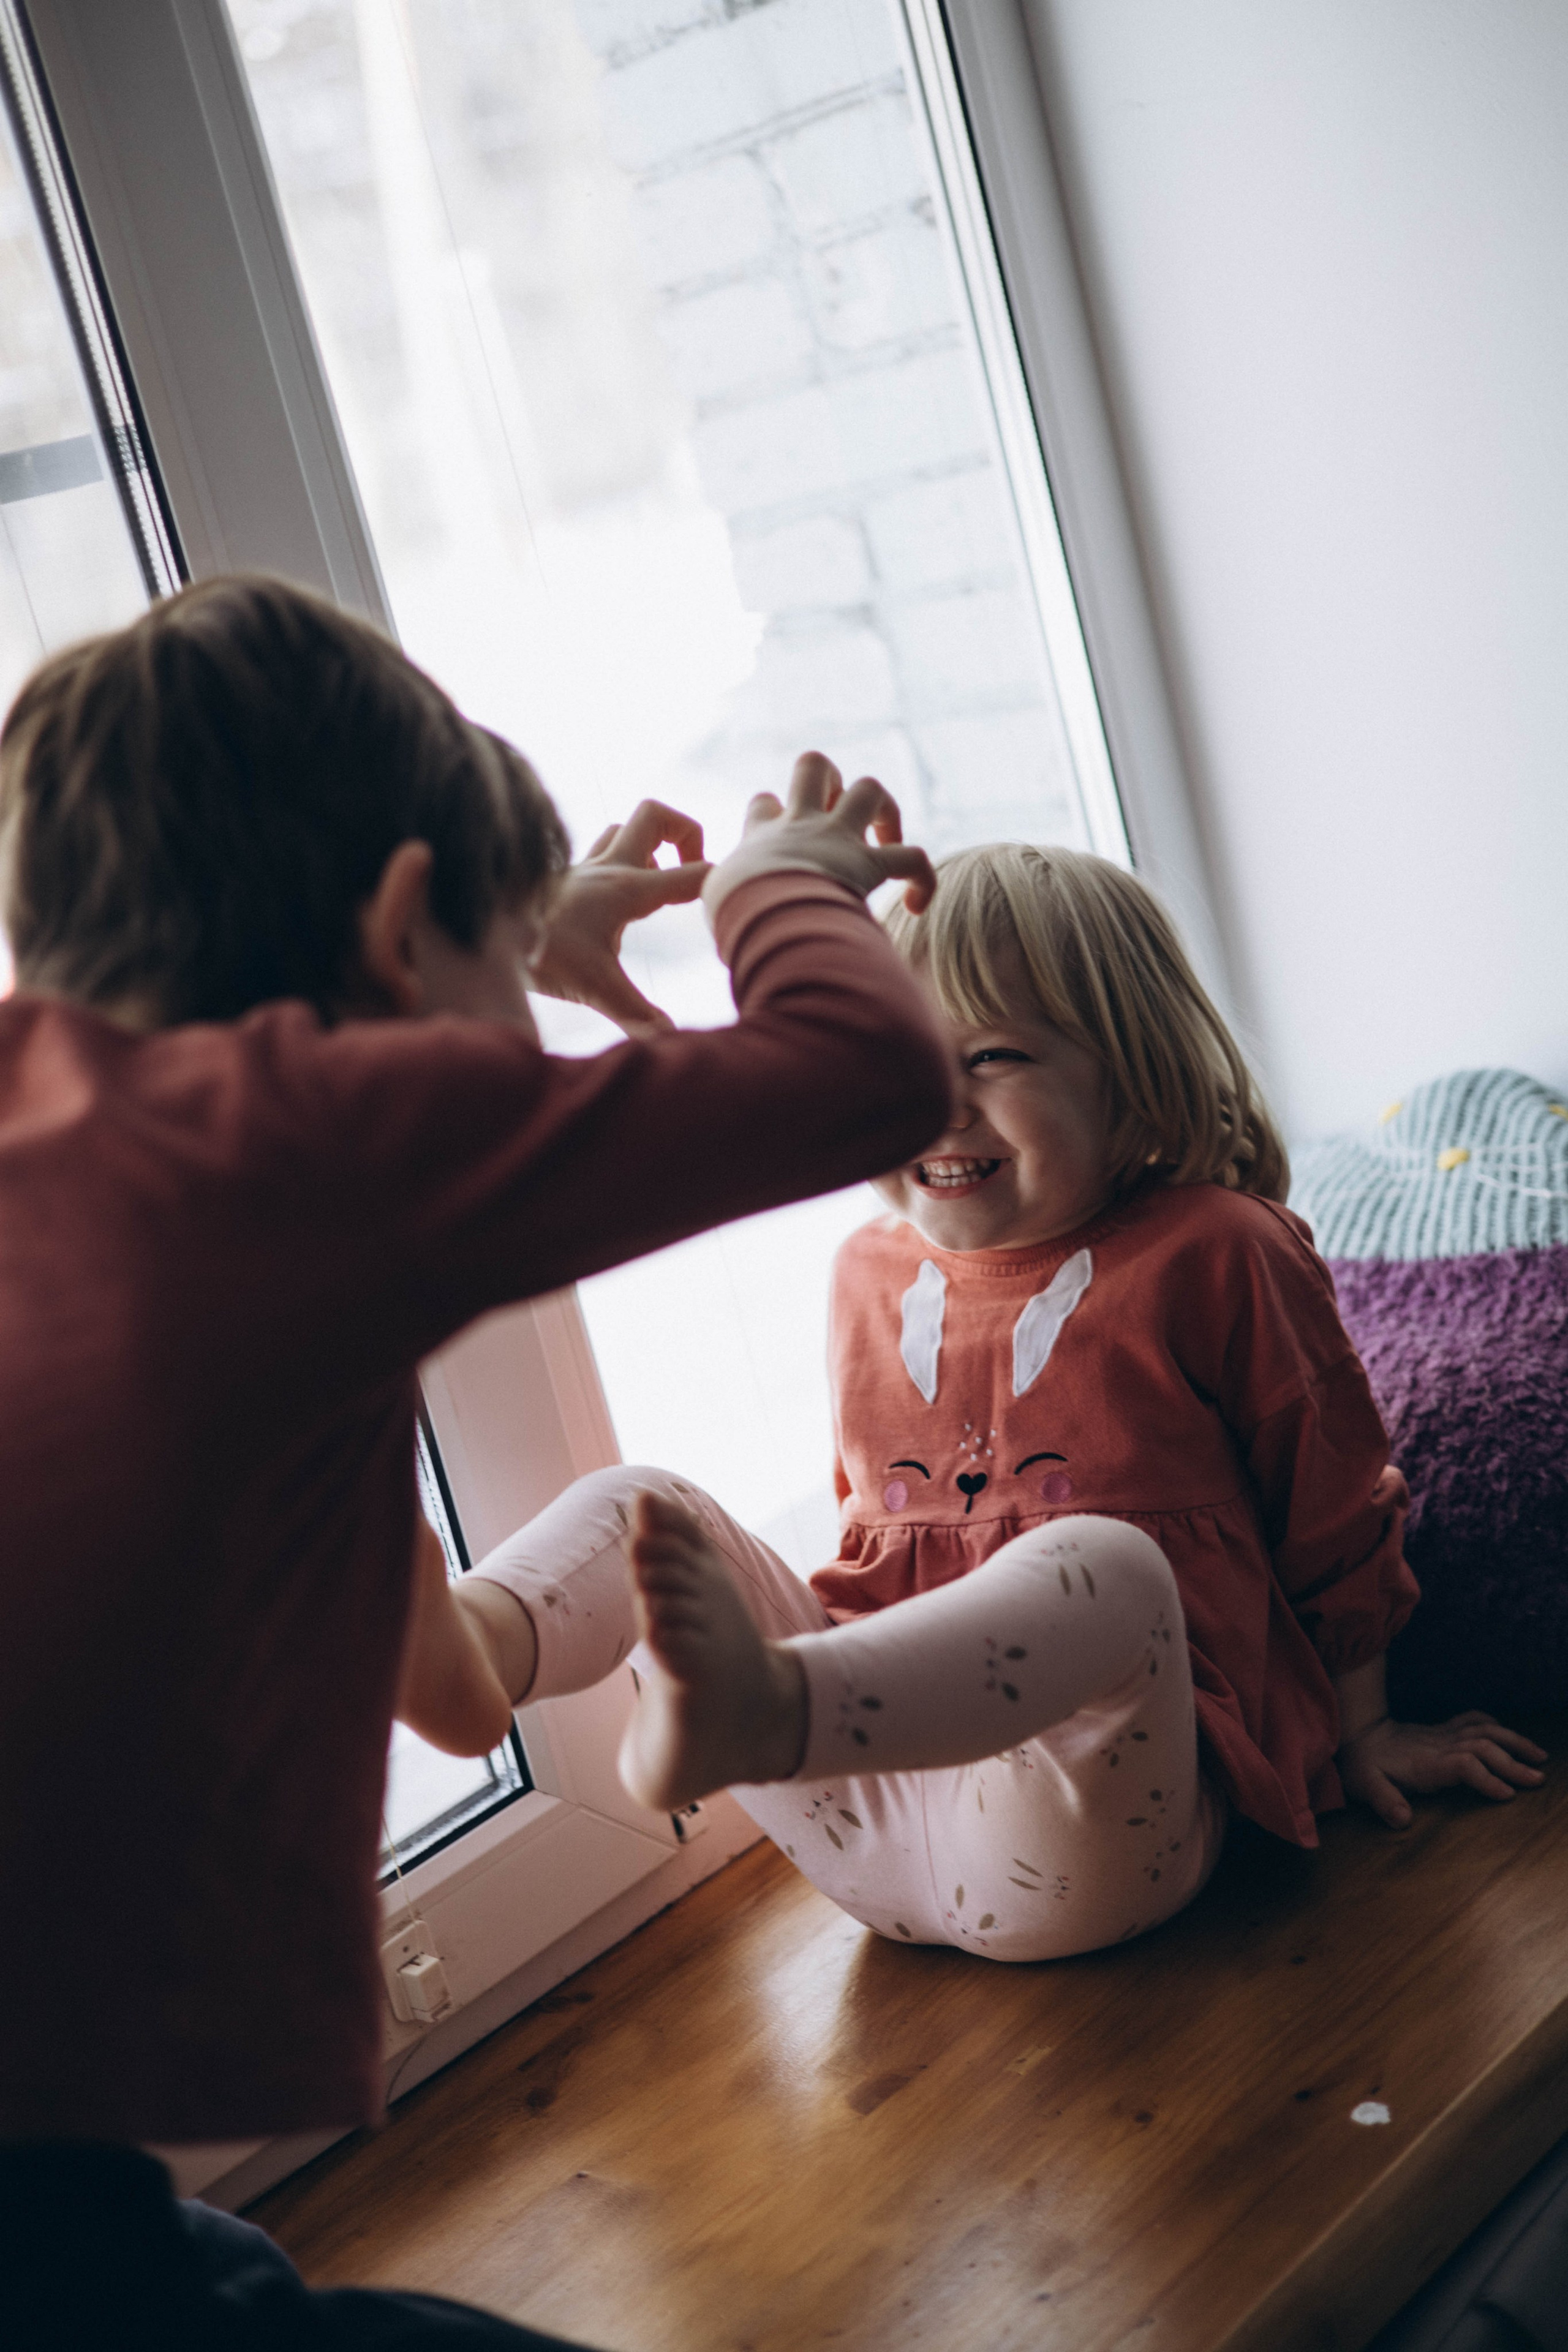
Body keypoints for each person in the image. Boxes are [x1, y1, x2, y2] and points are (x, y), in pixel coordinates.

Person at [0, 573, 953, 2346]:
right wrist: (776, 882)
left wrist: (518, 933)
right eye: (503, 970)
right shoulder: (303, 1144)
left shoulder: (92, 1180)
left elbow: (444, 1693)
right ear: (397, 926)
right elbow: (871, 1074)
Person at [446, 843, 1547, 1966]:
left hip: (1095, 1829)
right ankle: (474, 1644)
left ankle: (773, 1705)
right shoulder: (863, 1272)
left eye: (994, 1056)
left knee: (1103, 1567)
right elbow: (877, 1529)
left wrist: (1365, 1728)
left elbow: (1334, 1504)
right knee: (643, 1505)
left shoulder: (1217, 1246)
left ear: (1132, 1072)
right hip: (867, 1824)